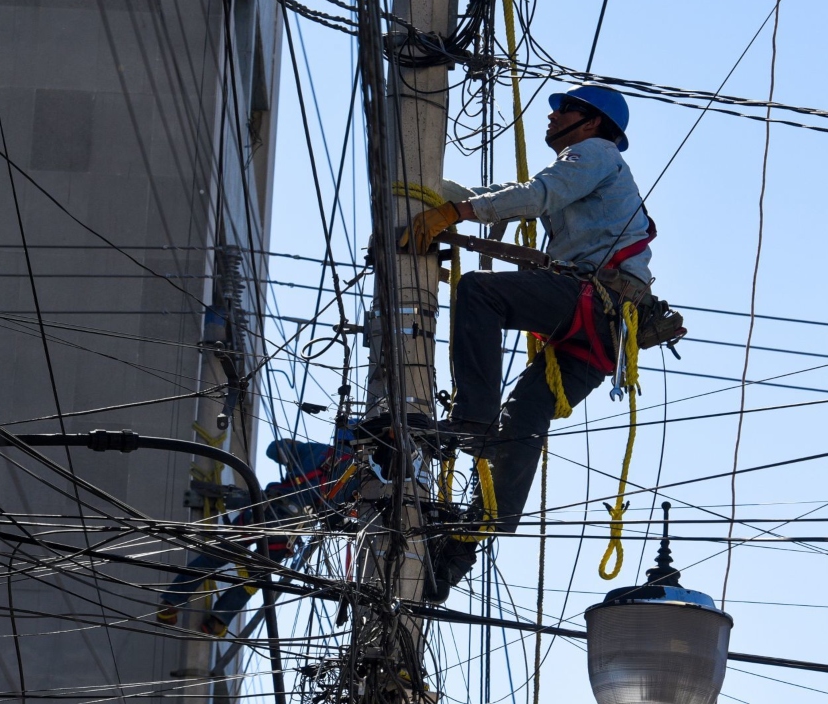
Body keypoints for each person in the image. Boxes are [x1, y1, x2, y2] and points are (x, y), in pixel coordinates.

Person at [402, 84, 655, 602]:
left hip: (592, 303)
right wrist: (448, 198)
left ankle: (473, 417)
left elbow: (536, 196)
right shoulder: (580, 164)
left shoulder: (595, 153)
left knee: (479, 293)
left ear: (591, 122)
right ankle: (466, 545)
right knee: (525, 417)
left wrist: (454, 214)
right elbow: (522, 190)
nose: (553, 113)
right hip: (604, 334)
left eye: (565, 109)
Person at [156, 432, 357, 634]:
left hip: (264, 511)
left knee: (217, 555)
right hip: (286, 534)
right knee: (254, 577)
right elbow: (335, 520)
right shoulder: (356, 476)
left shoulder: (317, 450)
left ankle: (171, 602)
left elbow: (273, 450)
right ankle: (218, 620)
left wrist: (290, 451)